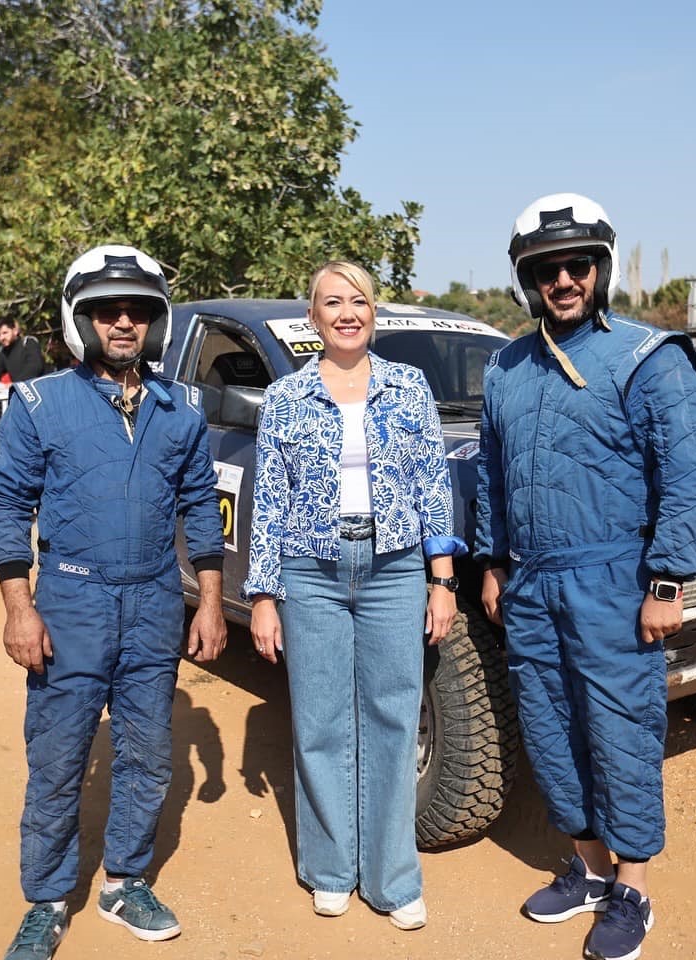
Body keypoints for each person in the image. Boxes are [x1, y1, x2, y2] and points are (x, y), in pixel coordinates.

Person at [476, 194, 696, 960]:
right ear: (528, 280)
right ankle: (586, 871)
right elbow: (492, 474)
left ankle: (633, 889)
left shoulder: (650, 358)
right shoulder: (507, 367)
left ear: (601, 268)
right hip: (532, 585)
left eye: (577, 265)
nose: (563, 280)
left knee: (620, 731)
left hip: (614, 581)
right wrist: (492, 560)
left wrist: (669, 581)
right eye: (546, 270)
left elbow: (691, 475)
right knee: (551, 729)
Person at [0, 244, 227, 959]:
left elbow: (200, 509)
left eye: (138, 311)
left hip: (154, 601)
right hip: (71, 601)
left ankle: (125, 881)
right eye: (106, 311)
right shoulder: (39, 402)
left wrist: (209, 603)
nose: (123, 323)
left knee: (150, 756)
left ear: (157, 322)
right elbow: (7, 505)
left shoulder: (180, 407)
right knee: (58, 758)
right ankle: (48, 898)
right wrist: (19, 607)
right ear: (80, 318)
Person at [245, 261, 465, 931]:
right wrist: (263, 594)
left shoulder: (409, 387)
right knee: (320, 723)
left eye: (359, 301)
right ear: (313, 319)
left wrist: (442, 579)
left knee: (394, 720)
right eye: (332, 302)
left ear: (375, 313)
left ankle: (395, 879)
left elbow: (433, 485)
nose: (347, 312)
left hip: (394, 569)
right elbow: (270, 500)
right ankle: (331, 870)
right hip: (310, 571)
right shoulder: (285, 397)